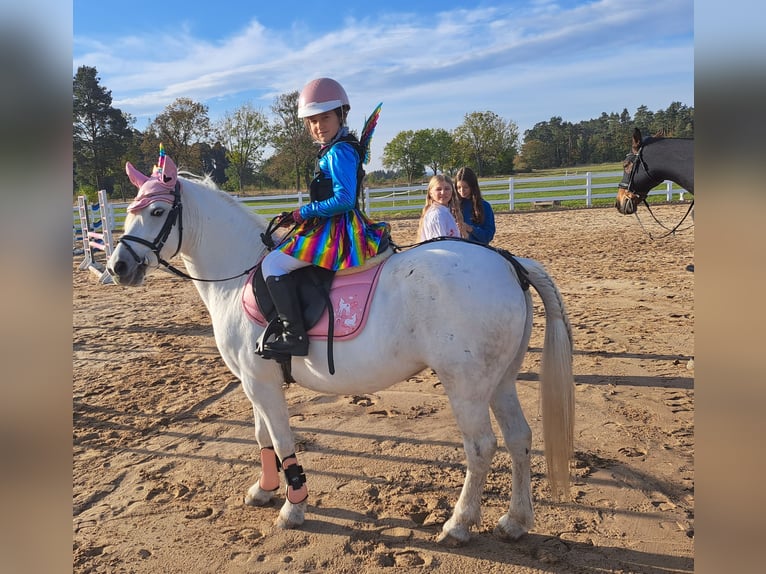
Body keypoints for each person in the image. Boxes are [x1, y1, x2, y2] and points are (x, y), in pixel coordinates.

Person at [260, 77, 390, 357]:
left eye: (325, 118)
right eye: (313, 121)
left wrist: (302, 212)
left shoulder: (339, 151)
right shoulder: (336, 148)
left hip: (338, 231)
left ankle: (294, 335)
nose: (319, 126)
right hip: (330, 224)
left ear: (341, 115)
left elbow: (343, 200)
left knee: (272, 264)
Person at [454, 166, 496, 245]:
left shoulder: (485, 206)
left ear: (472, 186)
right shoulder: (454, 206)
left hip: (478, 249)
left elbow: (488, 236)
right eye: (458, 187)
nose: (462, 191)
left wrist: (471, 229)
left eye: (465, 187)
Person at [417, 174, 464, 241]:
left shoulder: (444, 211)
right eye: (438, 189)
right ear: (431, 193)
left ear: (452, 191)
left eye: (447, 189)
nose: (443, 192)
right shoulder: (437, 215)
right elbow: (441, 246)